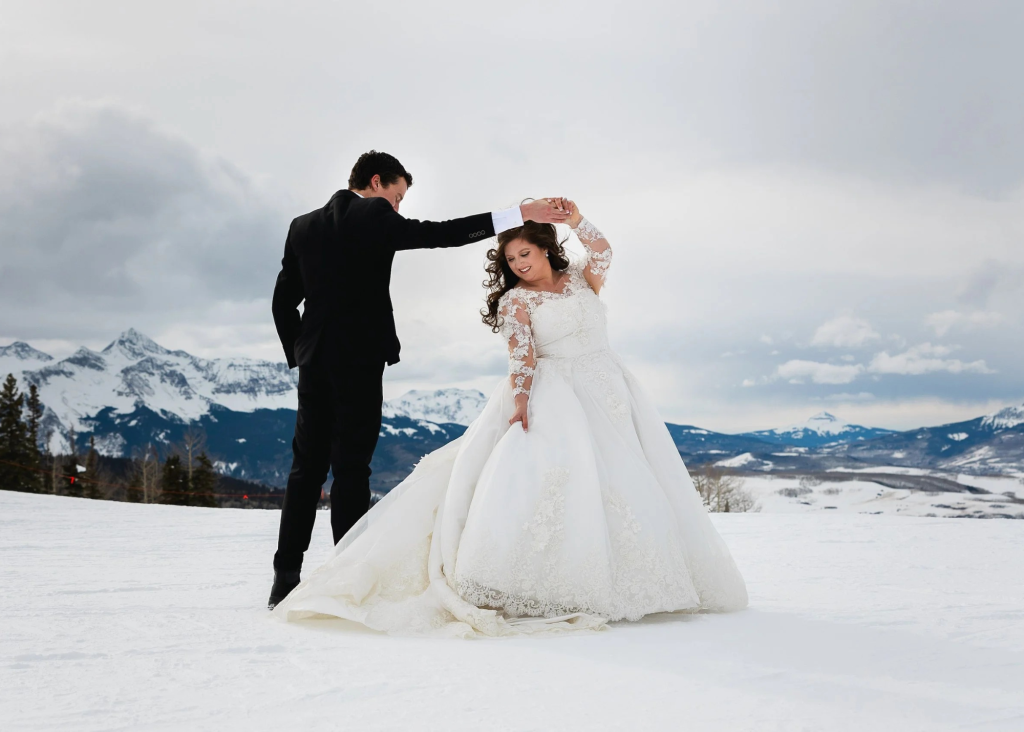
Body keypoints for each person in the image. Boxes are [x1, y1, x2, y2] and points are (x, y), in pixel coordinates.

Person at [272, 200, 749, 635]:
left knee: (629, 480)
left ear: (546, 249)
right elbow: (522, 355)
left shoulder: (583, 279)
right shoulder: (515, 301)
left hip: (612, 390)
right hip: (557, 393)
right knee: (566, 481)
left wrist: (577, 219)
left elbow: (603, 250)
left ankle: (646, 576)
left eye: (526, 254)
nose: (519, 264)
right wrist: (521, 401)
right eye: (511, 260)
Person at [268, 150, 572, 609]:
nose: (398, 208)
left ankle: (284, 578)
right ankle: (344, 578)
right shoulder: (374, 214)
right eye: (397, 196)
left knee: (304, 467)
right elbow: (442, 235)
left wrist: (301, 349)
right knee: (351, 469)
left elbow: (283, 300)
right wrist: (518, 214)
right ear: (374, 182)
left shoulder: (302, 225)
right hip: (360, 359)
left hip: (314, 359)